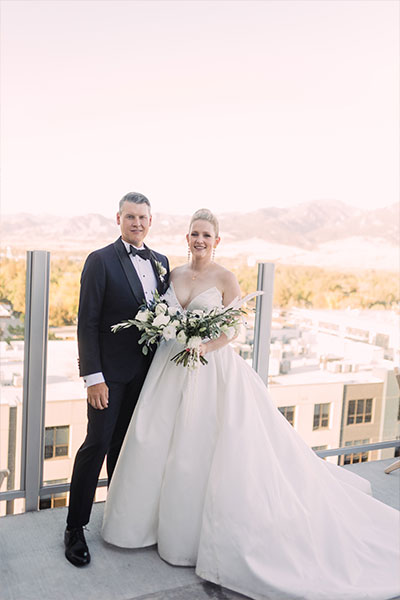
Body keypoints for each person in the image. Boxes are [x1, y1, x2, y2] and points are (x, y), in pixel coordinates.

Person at [102, 209, 400, 600]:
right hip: (169, 369)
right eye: (194, 234)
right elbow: (162, 315)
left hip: (211, 369)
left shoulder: (225, 278)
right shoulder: (171, 275)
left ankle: (189, 537)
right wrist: (171, 332)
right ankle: (148, 525)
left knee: (199, 447)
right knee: (158, 441)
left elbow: (234, 327)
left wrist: (204, 346)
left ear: (217, 240)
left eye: (207, 235)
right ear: (186, 237)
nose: (200, 240)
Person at [64, 192, 169, 567]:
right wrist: (93, 378)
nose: (136, 223)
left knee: (127, 450)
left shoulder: (161, 262)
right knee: (97, 445)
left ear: (151, 221)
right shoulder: (100, 260)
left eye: (142, 217)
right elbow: (87, 322)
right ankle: (75, 528)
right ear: (118, 219)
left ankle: (120, 521)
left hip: (147, 376)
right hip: (108, 378)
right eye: (130, 217)